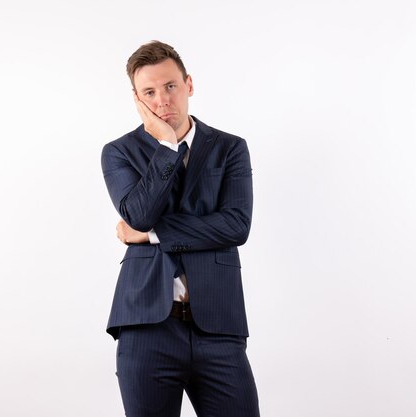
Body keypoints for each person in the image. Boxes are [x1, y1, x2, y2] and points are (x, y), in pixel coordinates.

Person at [101, 40, 260, 417]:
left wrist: (154, 235)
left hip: (218, 325)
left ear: (188, 84)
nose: (162, 101)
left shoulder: (230, 148)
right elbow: (138, 215)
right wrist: (168, 147)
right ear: (137, 98)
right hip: (145, 325)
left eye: (170, 86)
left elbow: (236, 225)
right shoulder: (119, 152)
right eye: (149, 92)